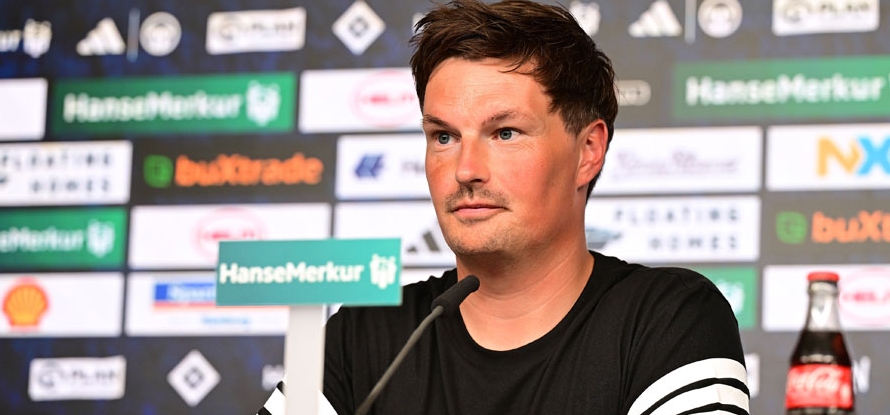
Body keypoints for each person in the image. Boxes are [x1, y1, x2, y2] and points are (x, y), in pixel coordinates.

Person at [259, 0, 749, 414]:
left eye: (505, 133)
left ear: (587, 151)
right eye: (444, 136)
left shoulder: (668, 319)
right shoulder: (363, 335)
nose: (466, 169)